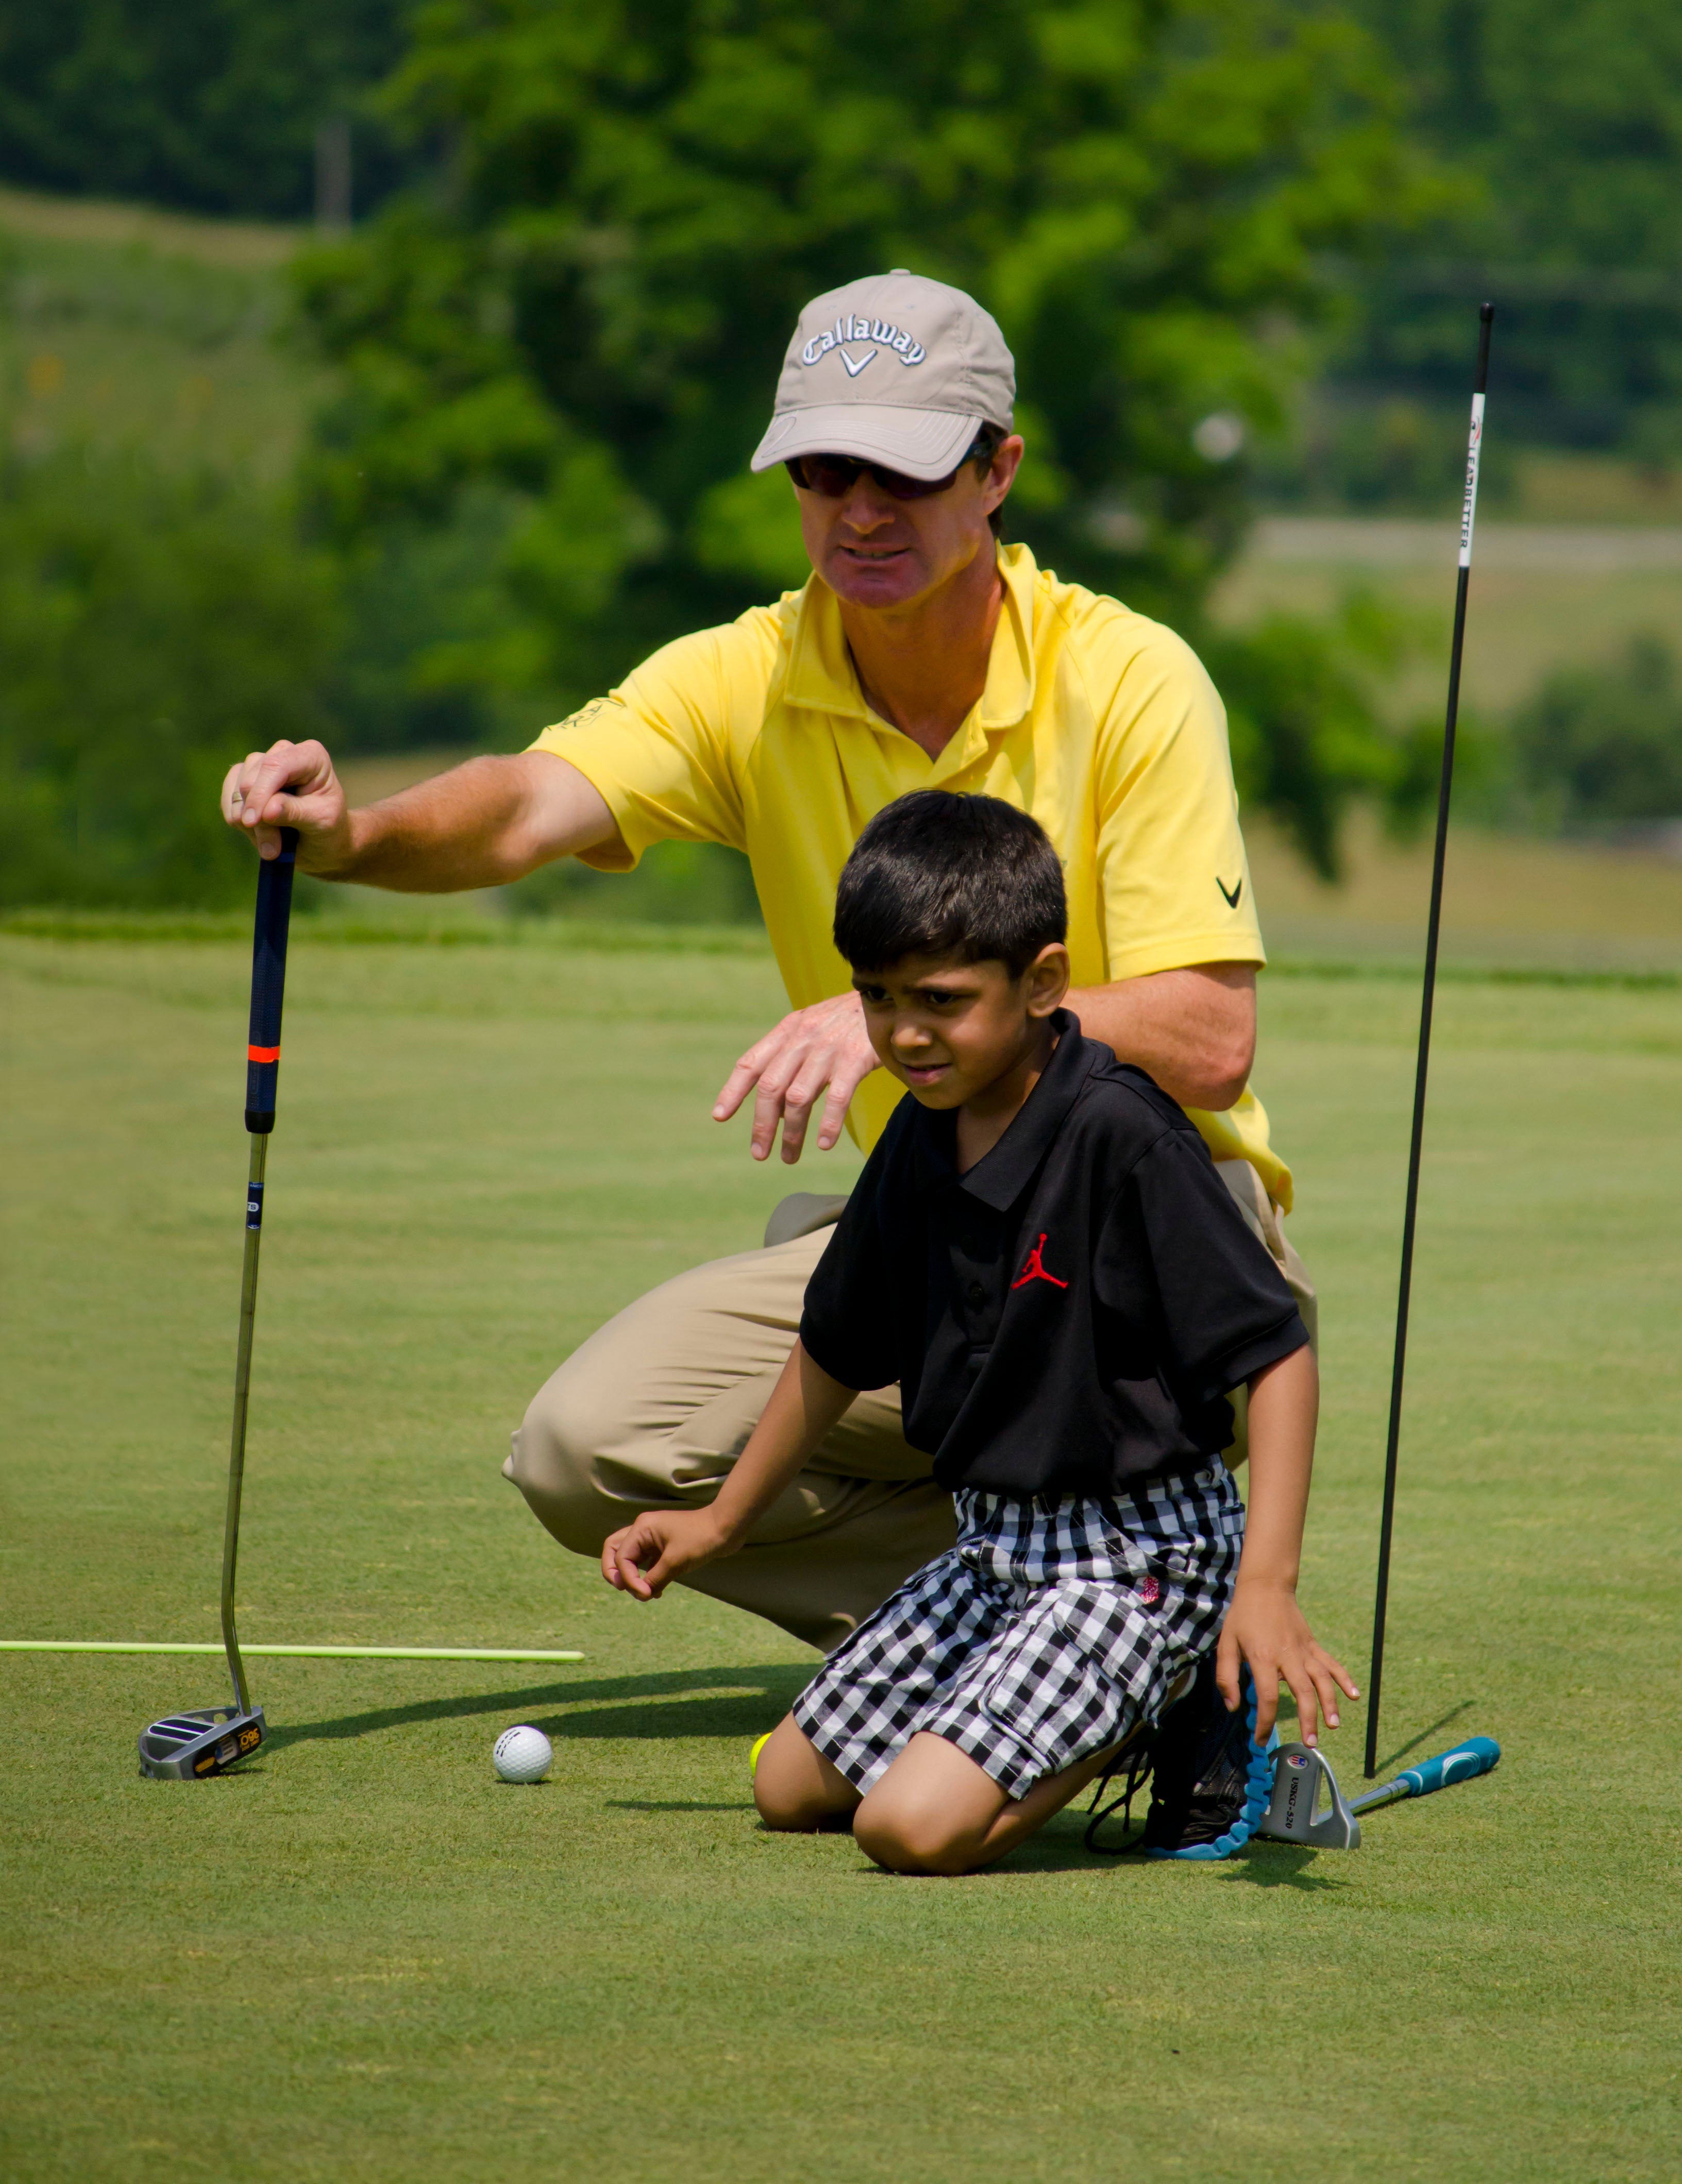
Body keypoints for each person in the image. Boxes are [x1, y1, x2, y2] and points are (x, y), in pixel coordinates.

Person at [221, 269, 1313, 1849]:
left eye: (902, 471)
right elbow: (530, 803)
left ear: (997, 473)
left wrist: (890, 1018)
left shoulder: (1131, 676)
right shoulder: (749, 672)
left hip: (1150, 1225)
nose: (856, 510)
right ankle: (1080, 1638)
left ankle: (1146, 1621)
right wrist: (354, 833)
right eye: (821, 472)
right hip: (929, 1225)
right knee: (583, 1451)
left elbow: (1211, 1034)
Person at [602, 793, 1354, 1873]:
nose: (905, 1032)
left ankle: (1174, 1691)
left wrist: (1265, 1585)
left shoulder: (1121, 1131)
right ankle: (1079, 1699)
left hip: (1141, 1555)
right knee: (787, 1788)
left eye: (943, 1000)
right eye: (877, 997)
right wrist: (719, 1521)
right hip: (997, 1547)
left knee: (905, 1828)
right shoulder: (920, 1130)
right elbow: (834, 1347)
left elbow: (1276, 1353)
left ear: (1042, 983)